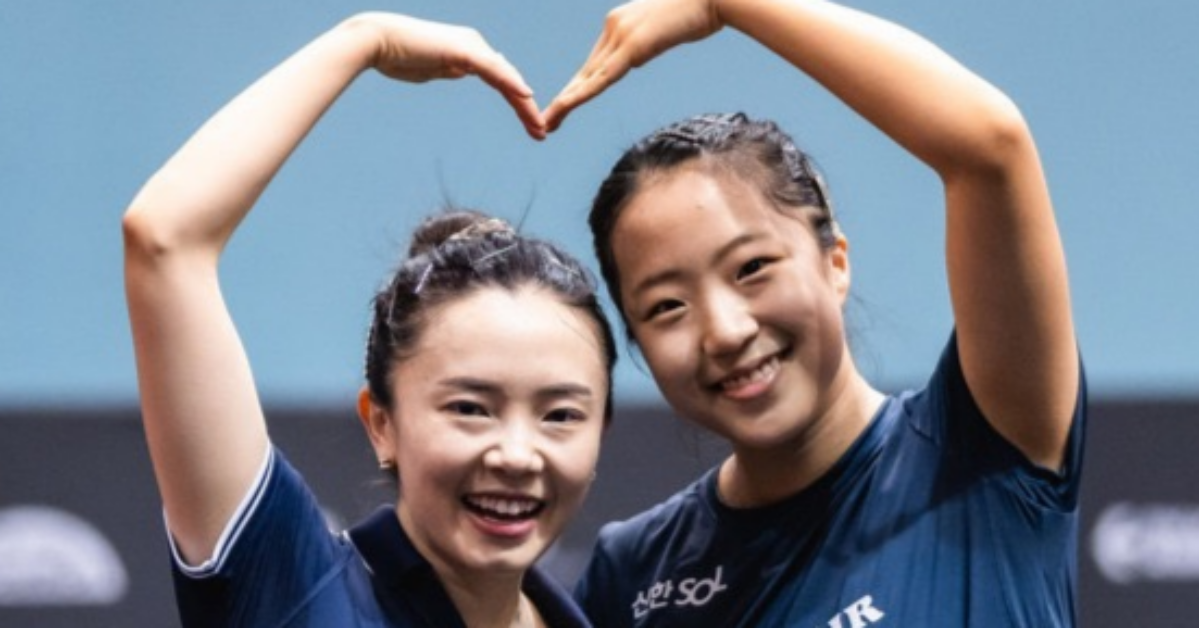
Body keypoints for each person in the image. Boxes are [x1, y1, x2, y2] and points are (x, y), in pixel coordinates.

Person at [541, 0, 1084, 625]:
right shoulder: (632, 573)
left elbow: (990, 146)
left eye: (752, 268)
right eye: (667, 306)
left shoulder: (980, 448)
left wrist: (726, 6)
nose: (725, 331)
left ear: (835, 262)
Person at [122, 12, 617, 628]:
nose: (517, 455)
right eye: (470, 407)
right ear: (381, 423)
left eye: (561, 415)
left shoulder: (611, 604)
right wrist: (362, 41)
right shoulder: (298, 588)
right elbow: (165, 240)